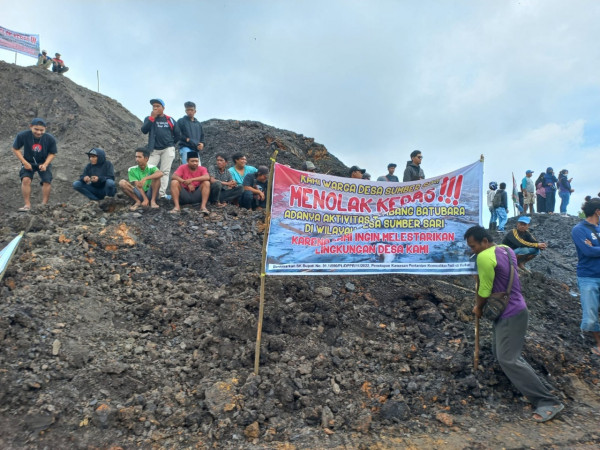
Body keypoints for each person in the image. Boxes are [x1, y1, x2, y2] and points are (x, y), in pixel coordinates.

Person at [464, 226, 564, 422]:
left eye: (474, 246)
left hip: (509, 313)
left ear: (484, 241)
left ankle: (547, 401)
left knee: (508, 358)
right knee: (501, 353)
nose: (472, 250)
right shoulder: (506, 250)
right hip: (517, 308)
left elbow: (484, 290)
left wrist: (478, 308)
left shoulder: (484, 257)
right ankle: (535, 387)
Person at [571, 196, 600, 357]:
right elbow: (587, 251)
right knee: (590, 318)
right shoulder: (579, 229)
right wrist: (594, 248)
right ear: (597, 211)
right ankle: (596, 342)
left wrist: (594, 247)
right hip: (588, 276)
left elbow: (593, 250)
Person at [11, 118, 57, 212]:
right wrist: (25, 162)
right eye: (36, 129)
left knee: (46, 181)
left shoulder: (49, 138)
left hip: (43, 162)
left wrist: (45, 164)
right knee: (26, 180)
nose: (39, 132)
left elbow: (52, 153)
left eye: (41, 130)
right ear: (31, 127)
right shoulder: (22, 135)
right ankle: (27, 205)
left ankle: (44, 205)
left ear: (45, 129)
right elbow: (15, 149)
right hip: (28, 162)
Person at [141, 99, 181, 199]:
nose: (155, 108)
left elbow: (178, 134)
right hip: (154, 149)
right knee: (148, 170)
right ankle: (145, 192)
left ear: (163, 108)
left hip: (167, 149)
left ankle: (161, 194)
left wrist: (171, 144)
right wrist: (152, 118)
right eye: (153, 106)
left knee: (165, 172)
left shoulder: (169, 119)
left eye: (158, 106)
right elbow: (144, 130)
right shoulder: (149, 118)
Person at [177, 101, 205, 165]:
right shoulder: (181, 121)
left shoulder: (198, 124)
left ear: (195, 111)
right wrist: (186, 139)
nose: (190, 111)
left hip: (195, 149)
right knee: (188, 167)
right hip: (185, 147)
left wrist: (202, 144)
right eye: (188, 110)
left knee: (198, 168)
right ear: (185, 111)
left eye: (191, 110)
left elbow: (202, 136)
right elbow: (177, 133)